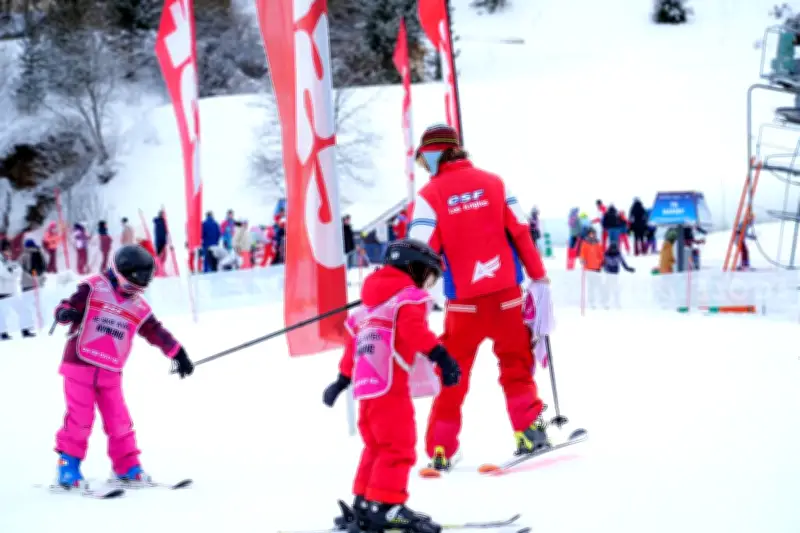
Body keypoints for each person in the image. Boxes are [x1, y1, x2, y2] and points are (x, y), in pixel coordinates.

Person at [407, 124, 551, 472]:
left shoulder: (430, 195)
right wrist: (538, 276)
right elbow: (520, 230)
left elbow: (419, 250)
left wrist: (404, 290)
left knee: (452, 376)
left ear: (432, 155)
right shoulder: (495, 183)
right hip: (506, 300)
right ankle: (530, 432)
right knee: (517, 367)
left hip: (463, 307)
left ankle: (441, 449)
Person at [322, 239, 460, 533]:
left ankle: (365, 501)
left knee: (376, 446)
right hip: (390, 389)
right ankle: (385, 506)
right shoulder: (406, 299)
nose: (427, 284)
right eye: (428, 276)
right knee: (398, 447)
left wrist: (341, 380)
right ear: (413, 268)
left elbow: (353, 348)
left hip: (368, 392)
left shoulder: (368, 309)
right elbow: (414, 331)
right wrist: (442, 357)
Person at [52, 244, 195, 489]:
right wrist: (65, 313)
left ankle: (127, 467)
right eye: (129, 287)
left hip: (110, 372)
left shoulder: (138, 306)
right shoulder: (93, 287)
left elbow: (155, 331)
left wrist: (177, 352)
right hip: (79, 366)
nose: (131, 294)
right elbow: (67, 305)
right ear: (117, 273)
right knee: (80, 419)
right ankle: (68, 467)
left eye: (138, 289)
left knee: (119, 421)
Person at [0, 239, 35, 340]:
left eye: (8, 249)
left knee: (22, 310)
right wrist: (14, 273)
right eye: (6, 249)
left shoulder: (7, 260)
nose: (8, 251)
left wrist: (14, 271)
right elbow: (5, 274)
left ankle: (25, 330)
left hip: (10, 292)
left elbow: (17, 270)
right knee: (2, 314)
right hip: (2, 292)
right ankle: (3, 334)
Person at [602, 242, 635, 308]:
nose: (613, 250)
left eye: (615, 249)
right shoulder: (606, 254)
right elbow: (602, 263)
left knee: (615, 289)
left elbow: (623, 263)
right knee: (607, 288)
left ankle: (616, 302)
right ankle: (606, 302)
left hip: (615, 274)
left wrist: (628, 269)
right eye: (612, 249)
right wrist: (602, 267)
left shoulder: (618, 254)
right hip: (608, 273)